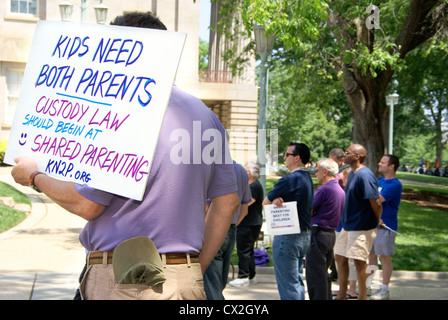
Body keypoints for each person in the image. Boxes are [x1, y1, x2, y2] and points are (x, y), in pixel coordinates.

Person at [11, 12, 240, 300]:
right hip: (183, 280)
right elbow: (227, 201)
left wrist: (34, 176)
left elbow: (87, 205)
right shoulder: (206, 118)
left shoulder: (120, 113)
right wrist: (193, 269)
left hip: (120, 283)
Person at [262, 142, 314, 300]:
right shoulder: (307, 178)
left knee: (288, 286)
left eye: (287, 154)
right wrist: (278, 202)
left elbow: (265, 202)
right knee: (296, 282)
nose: (284, 158)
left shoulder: (290, 179)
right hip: (304, 235)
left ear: (297, 158)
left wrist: (274, 201)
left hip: (288, 236)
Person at [334, 144, 382, 300]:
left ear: (357, 157)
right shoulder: (352, 173)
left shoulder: (365, 175)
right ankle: (342, 295)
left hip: (361, 226)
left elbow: (375, 201)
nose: (344, 155)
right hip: (347, 224)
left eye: (348, 153)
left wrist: (377, 220)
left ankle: (362, 297)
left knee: (360, 262)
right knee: (340, 257)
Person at [204, 160, 251, 300]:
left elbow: (207, 207)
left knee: (211, 286)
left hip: (212, 229)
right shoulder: (241, 170)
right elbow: (245, 208)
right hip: (230, 229)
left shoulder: (210, 167)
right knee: (218, 284)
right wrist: (231, 225)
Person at [305, 158, 345, 300]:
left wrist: (311, 211)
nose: (316, 174)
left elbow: (307, 208)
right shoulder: (338, 189)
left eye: (317, 170)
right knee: (322, 274)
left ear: (325, 171)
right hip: (329, 235)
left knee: (315, 275)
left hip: (319, 233)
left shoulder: (325, 189)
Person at [368, 154, 402, 300]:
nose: (379, 163)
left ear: (391, 166)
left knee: (385, 257)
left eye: (383, 162)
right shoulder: (380, 180)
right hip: (373, 225)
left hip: (386, 226)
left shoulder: (395, 184)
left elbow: (378, 200)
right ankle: (368, 285)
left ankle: (384, 289)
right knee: (371, 256)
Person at [229, 161, 264, 287]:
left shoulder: (254, 187)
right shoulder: (252, 185)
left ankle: (243, 276)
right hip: (250, 222)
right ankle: (251, 275)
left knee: (243, 249)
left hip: (249, 223)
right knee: (248, 250)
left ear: (249, 173)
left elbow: (246, 203)